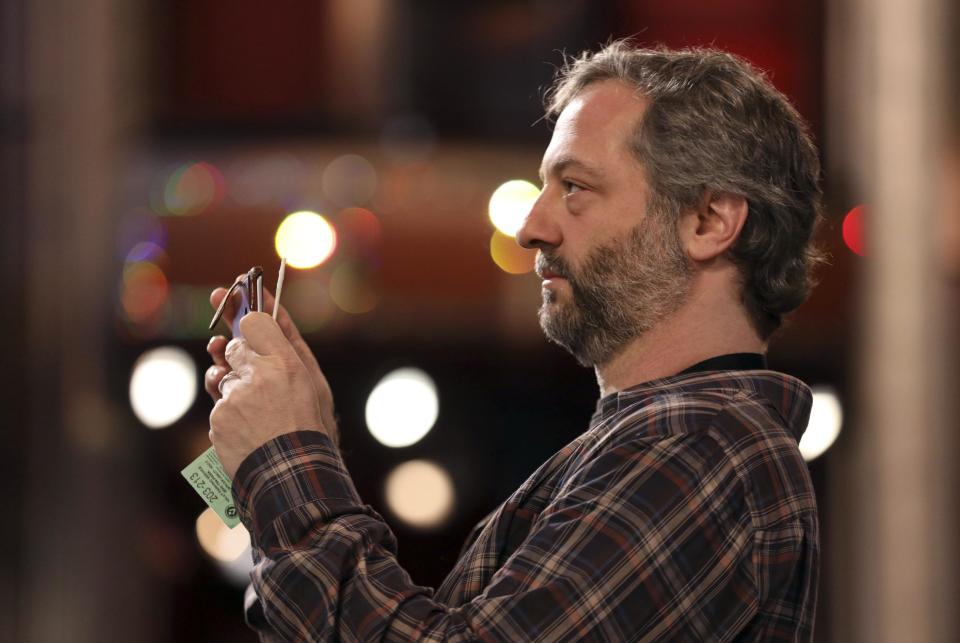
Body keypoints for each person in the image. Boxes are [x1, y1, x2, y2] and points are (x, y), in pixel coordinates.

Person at [205, 41, 824, 642]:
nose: (531, 227)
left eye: (575, 187)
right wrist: (287, 449)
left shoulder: (700, 447)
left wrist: (287, 458)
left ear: (709, 221)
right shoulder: (675, 443)